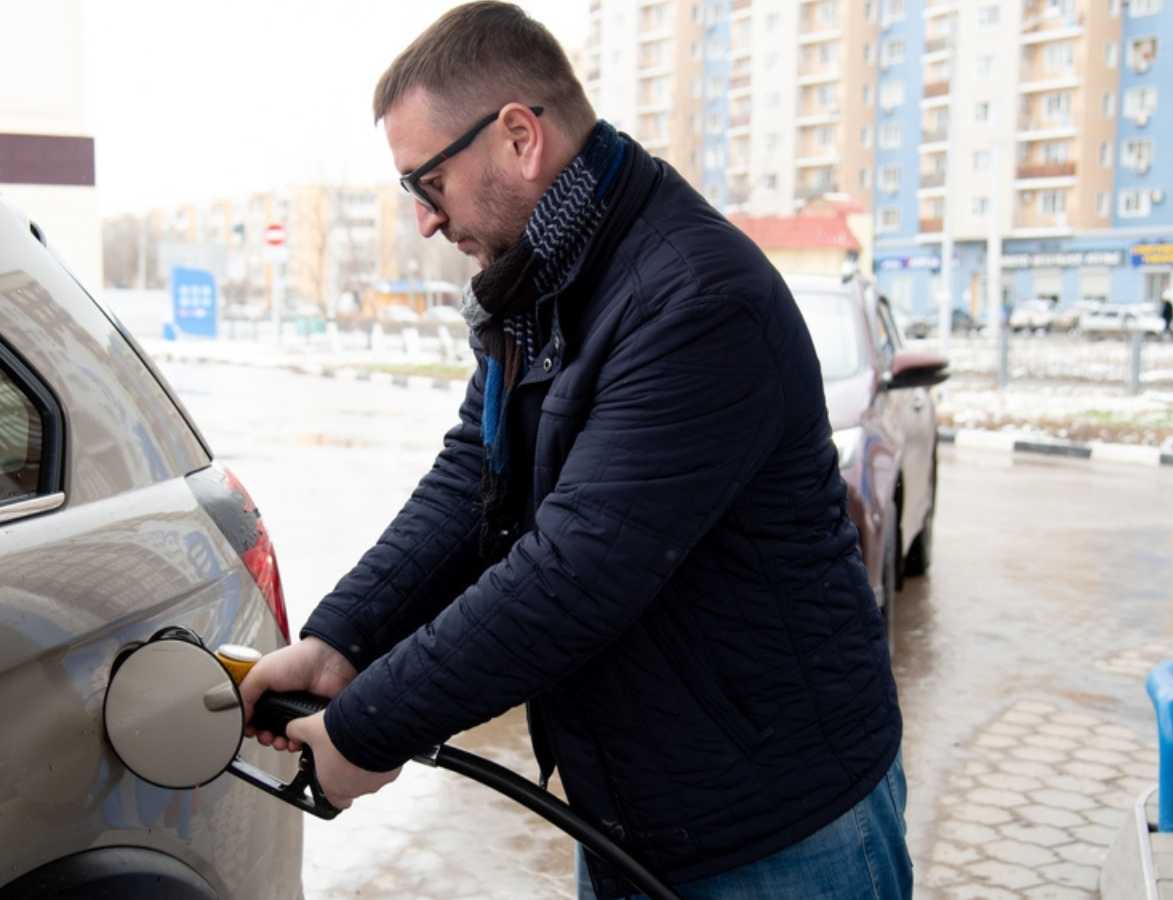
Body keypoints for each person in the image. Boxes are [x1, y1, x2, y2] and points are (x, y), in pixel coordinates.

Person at [238, 4, 911, 897]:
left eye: (426, 184)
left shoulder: (697, 302)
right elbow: (469, 482)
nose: (426, 223)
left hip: (778, 837)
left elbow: (575, 573)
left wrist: (372, 727)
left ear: (518, 137)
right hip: (636, 817)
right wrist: (341, 642)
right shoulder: (539, 287)